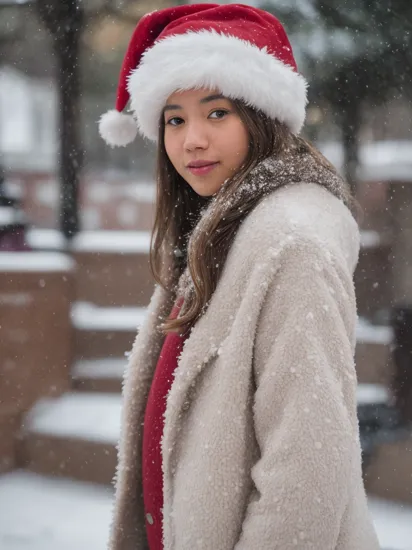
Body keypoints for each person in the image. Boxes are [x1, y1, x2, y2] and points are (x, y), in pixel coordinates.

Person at [99, 4, 380, 550]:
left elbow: (306, 467)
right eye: (174, 119)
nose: (192, 140)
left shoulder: (288, 246)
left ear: (261, 115)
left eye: (217, 112)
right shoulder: (214, 234)